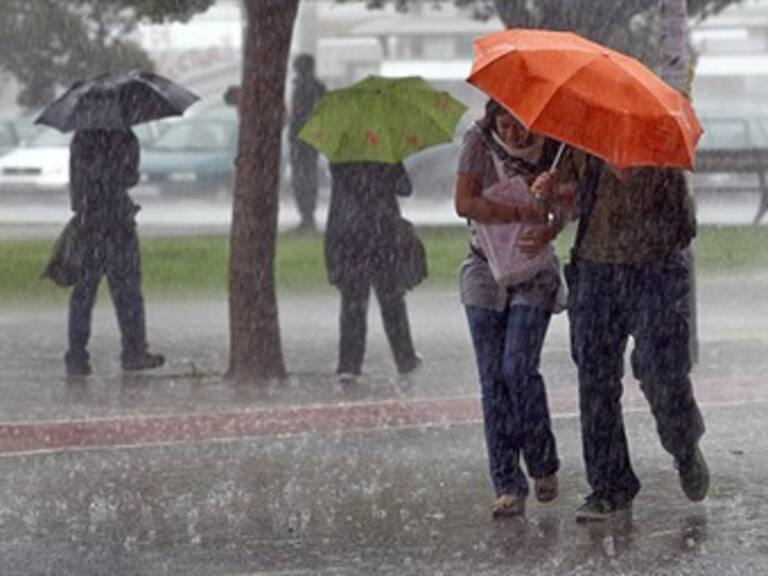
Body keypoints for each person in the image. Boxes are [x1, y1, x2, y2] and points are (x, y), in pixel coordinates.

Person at [566, 155, 709, 522]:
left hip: (655, 269)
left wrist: (642, 190)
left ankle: (683, 444)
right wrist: (554, 196)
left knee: (662, 373)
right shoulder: (578, 143)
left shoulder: (656, 148)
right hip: (595, 270)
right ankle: (609, 486)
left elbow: (685, 226)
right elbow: (565, 205)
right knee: (595, 380)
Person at [455, 100, 577, 517]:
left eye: (522, 125)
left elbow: (567, 205)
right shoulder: (477, 141)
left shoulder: (556, 149)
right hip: (483, 269)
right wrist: (518, 211)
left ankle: (542, 463)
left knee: (518, 368)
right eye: (506, 124)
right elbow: (465, 202)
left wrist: (549, 222)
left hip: (533, 270)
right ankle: (507, 482)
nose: (514, 134)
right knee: (492, 380)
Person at [65, 129, 164, 377]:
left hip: (89, 222)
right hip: (118, 222)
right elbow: (130, 178)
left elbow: (76, 183)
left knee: (83, 293)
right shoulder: (125, 137)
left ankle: (76, 357)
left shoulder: (81, 138)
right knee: (127, 292)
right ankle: (133, 351)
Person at [325, 161, 424, 385]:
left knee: (353, 302)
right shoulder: (385, 154)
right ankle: (404, 358)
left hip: (348, 235)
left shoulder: (340, 158)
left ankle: (349, 365)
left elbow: (340, 191)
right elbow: (405, 188)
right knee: (392, 300)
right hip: (383, 234)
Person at [288, 54, 326, 231]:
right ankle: (308, 214)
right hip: (313, 137)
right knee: (309, 176)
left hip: (301, 138)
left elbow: (298, 114)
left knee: (301, 177)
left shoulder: (302, 87)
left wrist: (295, 130)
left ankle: (306, 214)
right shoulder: (319, 87)